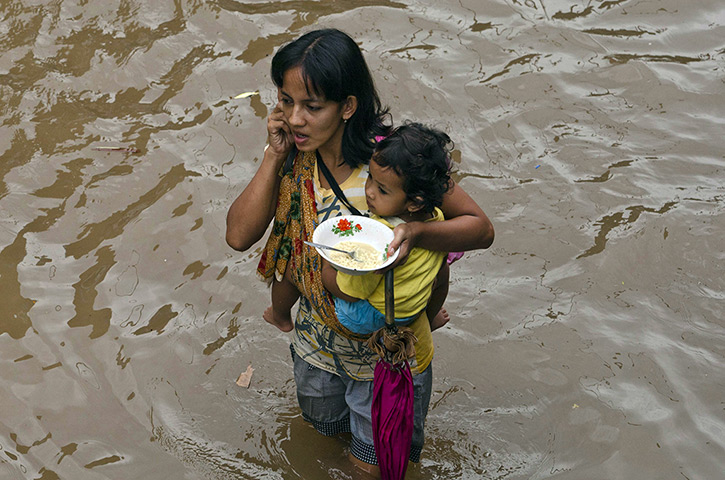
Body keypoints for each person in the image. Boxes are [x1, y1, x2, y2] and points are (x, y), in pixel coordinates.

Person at [226, 28, 494, 477]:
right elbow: (238, 236)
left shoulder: (395, 160)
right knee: (322, 443)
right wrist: (273, 157)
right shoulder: (292, 159)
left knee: (372, 470)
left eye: (312, 107)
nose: (294, 119)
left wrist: (416, 232)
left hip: (386, 359)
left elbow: (480, 229)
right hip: (316, 349)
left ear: (347, 106)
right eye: (286, 101)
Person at [264, 121, 454, 337]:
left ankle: (279, 316)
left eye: (382, 190)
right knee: (442, 269)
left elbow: (352, 292)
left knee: (295, 264)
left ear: (415, 202)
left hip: (363, 317)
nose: (369, 192)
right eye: (370, 177)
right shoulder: (437, 219)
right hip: (411, 308)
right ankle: (430, 317)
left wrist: (327, 263)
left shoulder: (383, 235)